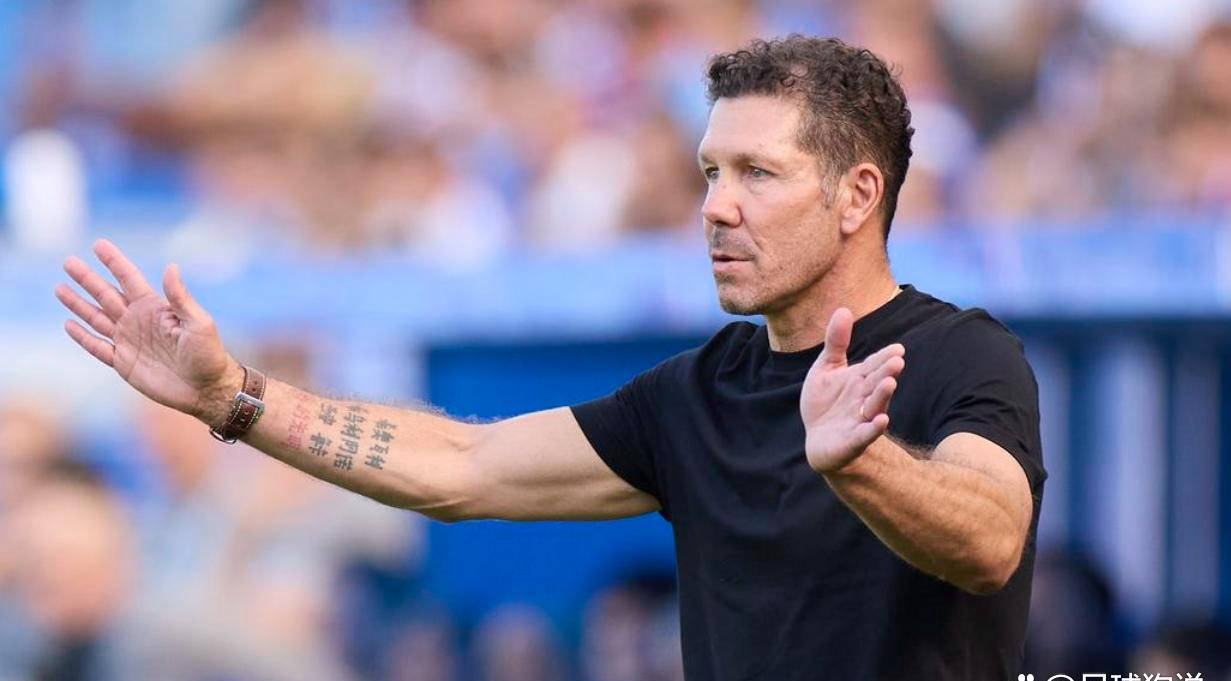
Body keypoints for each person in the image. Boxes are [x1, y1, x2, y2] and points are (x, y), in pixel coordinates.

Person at [55, 35, 1044, 680]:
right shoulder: (697, 393)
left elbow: (991, 539)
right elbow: (461, 465)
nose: (715, 206)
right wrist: (230, 396)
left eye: (757, 173)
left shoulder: (962, 354)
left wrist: (859, 461)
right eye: (709, 171)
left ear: (858, 194)